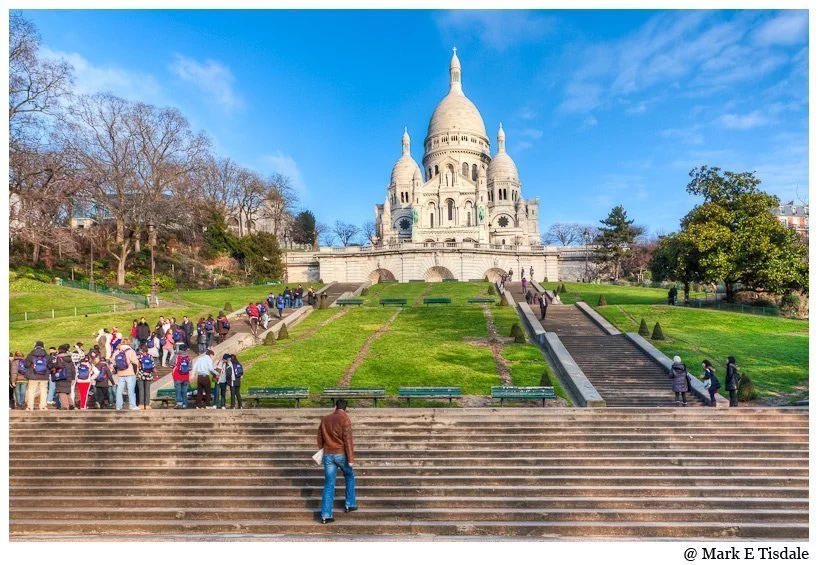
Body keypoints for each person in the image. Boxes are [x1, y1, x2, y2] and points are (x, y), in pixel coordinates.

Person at [318, 399, 357, 524]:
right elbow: (348, 440)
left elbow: (319, 437)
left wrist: (322, 449)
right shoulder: (345, 419)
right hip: (341, 454)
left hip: (328, 454)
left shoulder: (325, 419)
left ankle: (325, 515)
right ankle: (349, 503)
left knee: (329, 484)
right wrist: (350, 459)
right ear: (346, 408)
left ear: (335, 406)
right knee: (349, 475)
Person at [113, 341, 140, 411]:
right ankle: (132, 405)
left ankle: (118, 406)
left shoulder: (117, 352)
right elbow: (135, 362)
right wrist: (136, 372)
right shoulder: (131, 351)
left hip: (120, 374)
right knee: (131, 390)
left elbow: (113, 362)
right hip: (130, 373)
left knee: (119, 390)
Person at [25, 341, 50, 411]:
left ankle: (30, 406)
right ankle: (43, 406)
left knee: (31, 391)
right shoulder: (47, 355)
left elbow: (26, 365)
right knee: (44, 391)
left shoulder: (30, 355)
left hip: (32, 376)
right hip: (44, 376)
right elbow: (50, 365)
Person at [51, 344, 76, 410]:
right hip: (69, 377)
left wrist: (53, 365)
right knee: (67, 392)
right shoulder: (70, 359)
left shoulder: (58, 358)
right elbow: (73, 369)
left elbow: (59, 366)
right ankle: (71, 404)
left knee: (62, 392)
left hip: (61, 377)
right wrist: (73, 378)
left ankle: (65, 406)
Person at [171, 344, 193, 409]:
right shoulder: (188, 357)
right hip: (186, 377)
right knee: (184, 391)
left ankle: (179, 403)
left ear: (179, 349)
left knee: (178, 390)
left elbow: (171, 364)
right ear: (185, 349)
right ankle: (185, 404)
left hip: (177, 376)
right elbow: (190, 368)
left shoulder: (176, 356)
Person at [137, 344, 156, 410]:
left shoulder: (139, 356)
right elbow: (153, 367)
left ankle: (141, 405)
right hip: (148, 375)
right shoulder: (150, 356)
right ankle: (147, 405)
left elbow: (138, 365)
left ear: (141, 349)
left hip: (140, 375)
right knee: (147, 390)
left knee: (141, 390)